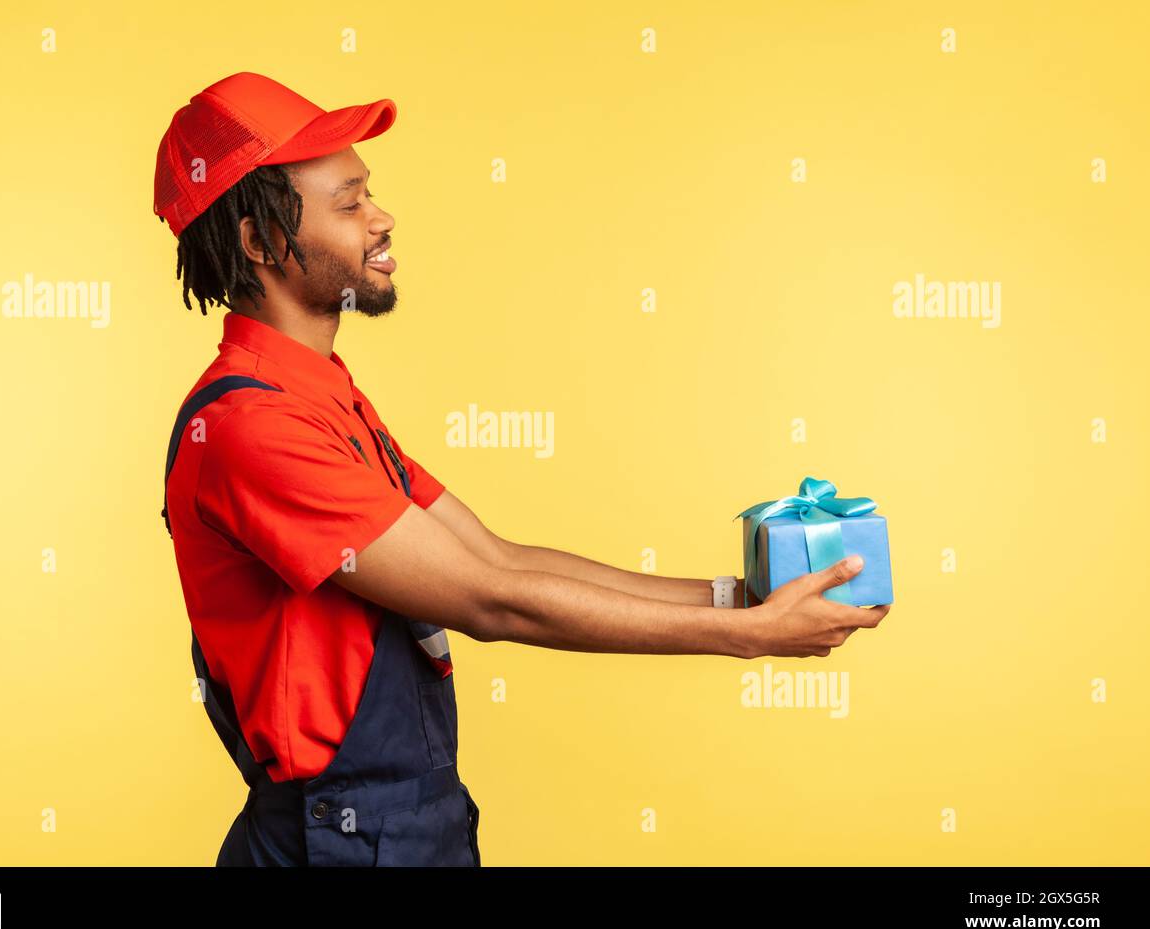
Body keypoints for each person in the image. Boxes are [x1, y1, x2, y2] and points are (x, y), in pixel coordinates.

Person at [153, 71, 891, 867]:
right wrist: (748, 636)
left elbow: (498, 558)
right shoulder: (251, 428)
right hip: (336, 840)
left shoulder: (318, 397)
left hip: (402, 827)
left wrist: (739, 594)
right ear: (260, 243)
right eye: (349, 203)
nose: (382, 218)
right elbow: (491, 601)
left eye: (371, 195)